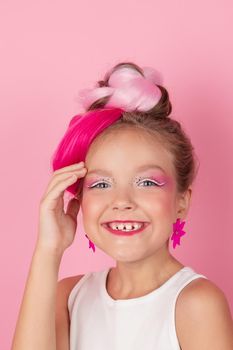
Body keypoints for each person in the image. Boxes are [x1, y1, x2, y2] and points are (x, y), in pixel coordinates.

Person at [11, 62, 233, 350]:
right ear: (80, 201)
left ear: (182, 201)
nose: (122, 202)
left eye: (147, 183)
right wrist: (48, 250)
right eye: (101, 184)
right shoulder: (68, 297)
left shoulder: (196, 304)